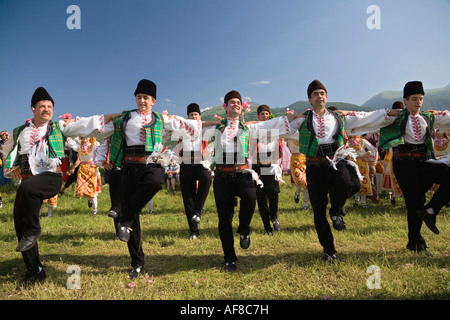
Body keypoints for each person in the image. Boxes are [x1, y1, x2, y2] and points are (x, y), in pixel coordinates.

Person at [0, 87, 119, 288]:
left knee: (27, 197)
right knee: (20, 223)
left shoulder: (60, 127)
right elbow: (6, 149)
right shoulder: (20, 131)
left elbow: (87, 124)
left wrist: (115, 116)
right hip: (28, 179)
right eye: (42, 106)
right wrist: (12, 167)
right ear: (33, 109)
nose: (46, 109)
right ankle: (35, 270)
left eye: (49, 106)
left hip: (51, 177)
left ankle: (34, 229)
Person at [289, 80, 401, 261]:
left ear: (326, 97)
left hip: (336, 160)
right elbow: (276, 126)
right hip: (314, 165)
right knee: (318, 210)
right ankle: (329, 250)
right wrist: (251, 125)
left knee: (351, 183)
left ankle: (335, 210)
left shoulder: (338, 117)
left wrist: (388, 114)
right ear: (309, 99)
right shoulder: (302, 120)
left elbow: (366, 117)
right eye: (316, 94)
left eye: (322, 93)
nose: (320, 96)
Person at [102, 79, 202, 279]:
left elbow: (190, 125)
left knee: (155, 182)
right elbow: (100, 125)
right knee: (134, 222)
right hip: (128, 166)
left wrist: (214, 124)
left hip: (151, 163)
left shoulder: (161, 119)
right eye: (139, 97)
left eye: (146, 98)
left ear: (153, 100)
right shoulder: (125, 117)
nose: (142, 101)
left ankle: (125, 216)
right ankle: (137, 262)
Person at [203, 90, 302, 271]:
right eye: (232, 102)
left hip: (241, 173)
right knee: (224, 219)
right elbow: (194, 126)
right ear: (225, 106)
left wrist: (291, 117)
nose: (236, 105)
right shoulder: (215, 129)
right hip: (221, 176)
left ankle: (243, 230)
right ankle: (229, 258)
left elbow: (271, 124)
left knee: (250, 198)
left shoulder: (249, 128)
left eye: (238, 103)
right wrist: (214, 122)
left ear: (242, 108)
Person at [379, 81, 450, 256]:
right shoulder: (396, 116)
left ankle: (431, 209)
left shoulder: (427, 117)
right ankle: (417, 243)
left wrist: (440, 113)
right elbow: (369, 119)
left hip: (423, 162)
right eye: (414, 99)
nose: (418, 102)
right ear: (405, 100)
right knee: (415, 201)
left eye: (421, 99)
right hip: (404, 164)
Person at [177, 103, 212, 240]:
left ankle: (198, 211)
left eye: (195, 115)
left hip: (200, 163)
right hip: (185, 164)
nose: (193, 117)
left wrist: (199, 123)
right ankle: (194, 231)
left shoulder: (205, 129)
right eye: (191, 115)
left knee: (206, 178)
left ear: (199, 116)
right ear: (187, 117)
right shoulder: (182, 129)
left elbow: (216, 124)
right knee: (188, 198)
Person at [249, 104, 284, 234]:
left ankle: (274, 217)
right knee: (261, 195)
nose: (265, 116)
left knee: (273, 191)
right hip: (257, 165)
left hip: (270, 164)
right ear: (258, 116)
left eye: (267, 114)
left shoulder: (274, 129)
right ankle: (266, 226)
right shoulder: (253, 129)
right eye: (262, 114)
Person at [74, 137, 102, 215]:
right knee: (81, 187)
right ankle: (89, 199)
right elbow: (72, 146)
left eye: (86, 137)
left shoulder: (94, 146)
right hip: (82, 169)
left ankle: (95, 209)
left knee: (92, 189)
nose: (84, 138)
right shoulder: (80, 147)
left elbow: (99, 155)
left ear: (90, 138)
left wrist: (96, 164)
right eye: (82, 137)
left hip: (91, 169)